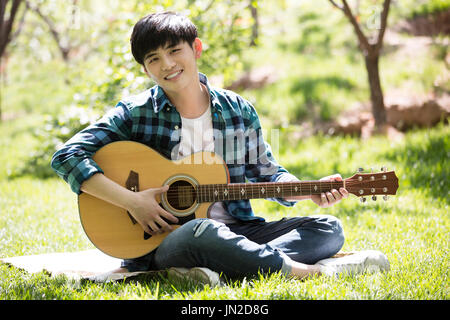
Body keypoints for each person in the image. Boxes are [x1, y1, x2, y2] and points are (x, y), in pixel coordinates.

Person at [51, 11, 388, 285]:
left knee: (327, 228)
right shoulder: (135, 112)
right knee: (204, 230)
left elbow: (268, 175)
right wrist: (134, 202)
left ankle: (224, 266)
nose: (166, 64)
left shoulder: (237, 109)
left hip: (241, 229)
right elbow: (66, 156)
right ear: (144, 68)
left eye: (174, 50)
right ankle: (301, 272)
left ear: (195, 48)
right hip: (166, 240)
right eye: (154, 58)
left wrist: (310, 191)